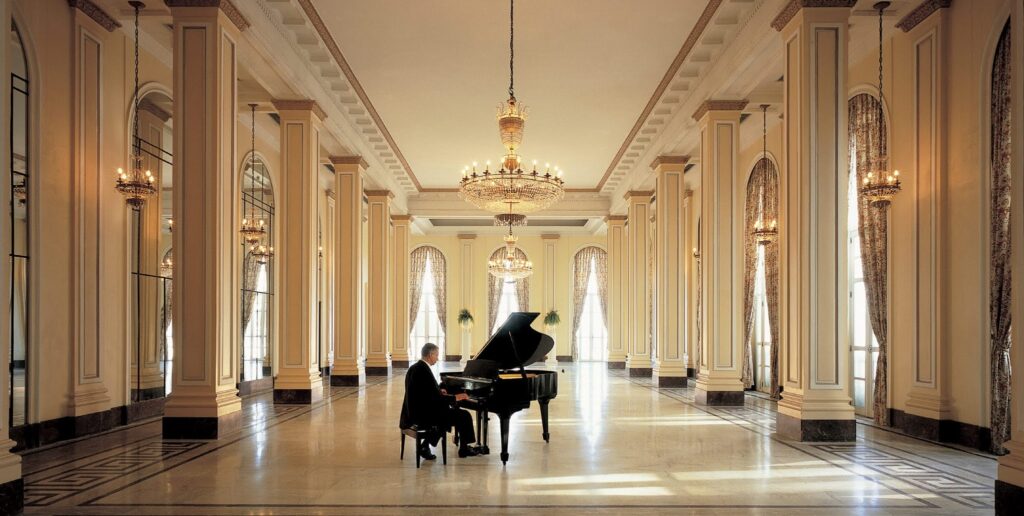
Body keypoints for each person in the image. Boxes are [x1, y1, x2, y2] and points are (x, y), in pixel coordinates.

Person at [400, 343, 479, 459]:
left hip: (414, 411)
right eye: (436, 355)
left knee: (446, 413)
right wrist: (455, 397)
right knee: (464, 415)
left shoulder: (416, 367)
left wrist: (439, 391)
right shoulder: (423, 370)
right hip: (422, 415)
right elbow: (433, 399)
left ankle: (425, 446)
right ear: (430, 355)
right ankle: (464, 449)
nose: (437, 358)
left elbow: (425, 392)